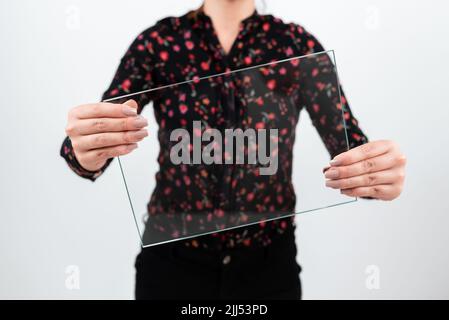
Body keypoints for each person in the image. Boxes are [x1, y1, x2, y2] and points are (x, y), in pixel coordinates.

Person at [60, 0, 406, 299]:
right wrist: (85, 149)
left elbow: (353, 150)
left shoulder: (296, 47)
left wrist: (379, 171)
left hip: (269, 272)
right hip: (170, 268)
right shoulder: (159, 43)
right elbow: (94, 138)